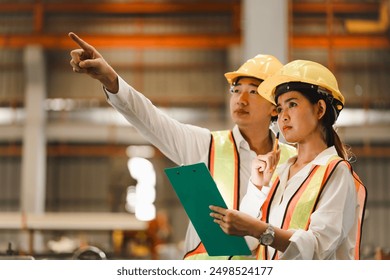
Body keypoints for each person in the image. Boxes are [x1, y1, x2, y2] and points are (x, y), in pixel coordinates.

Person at [68, 32, 296, 259]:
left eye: (253, 92)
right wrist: (110, 79)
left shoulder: (294, 161)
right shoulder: (205, 145)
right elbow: (151, 120)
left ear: (275, 108)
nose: (241, 99)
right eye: (236, 90)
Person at [210, 60, 367, 260]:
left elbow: (319, 246)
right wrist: (258, 188)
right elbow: (248, 243)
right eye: (280, 108)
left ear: (320, 109)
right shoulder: (281, 172)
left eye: (292, 104)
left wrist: (260, 230)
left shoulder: (336, 171)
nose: (283, 116)